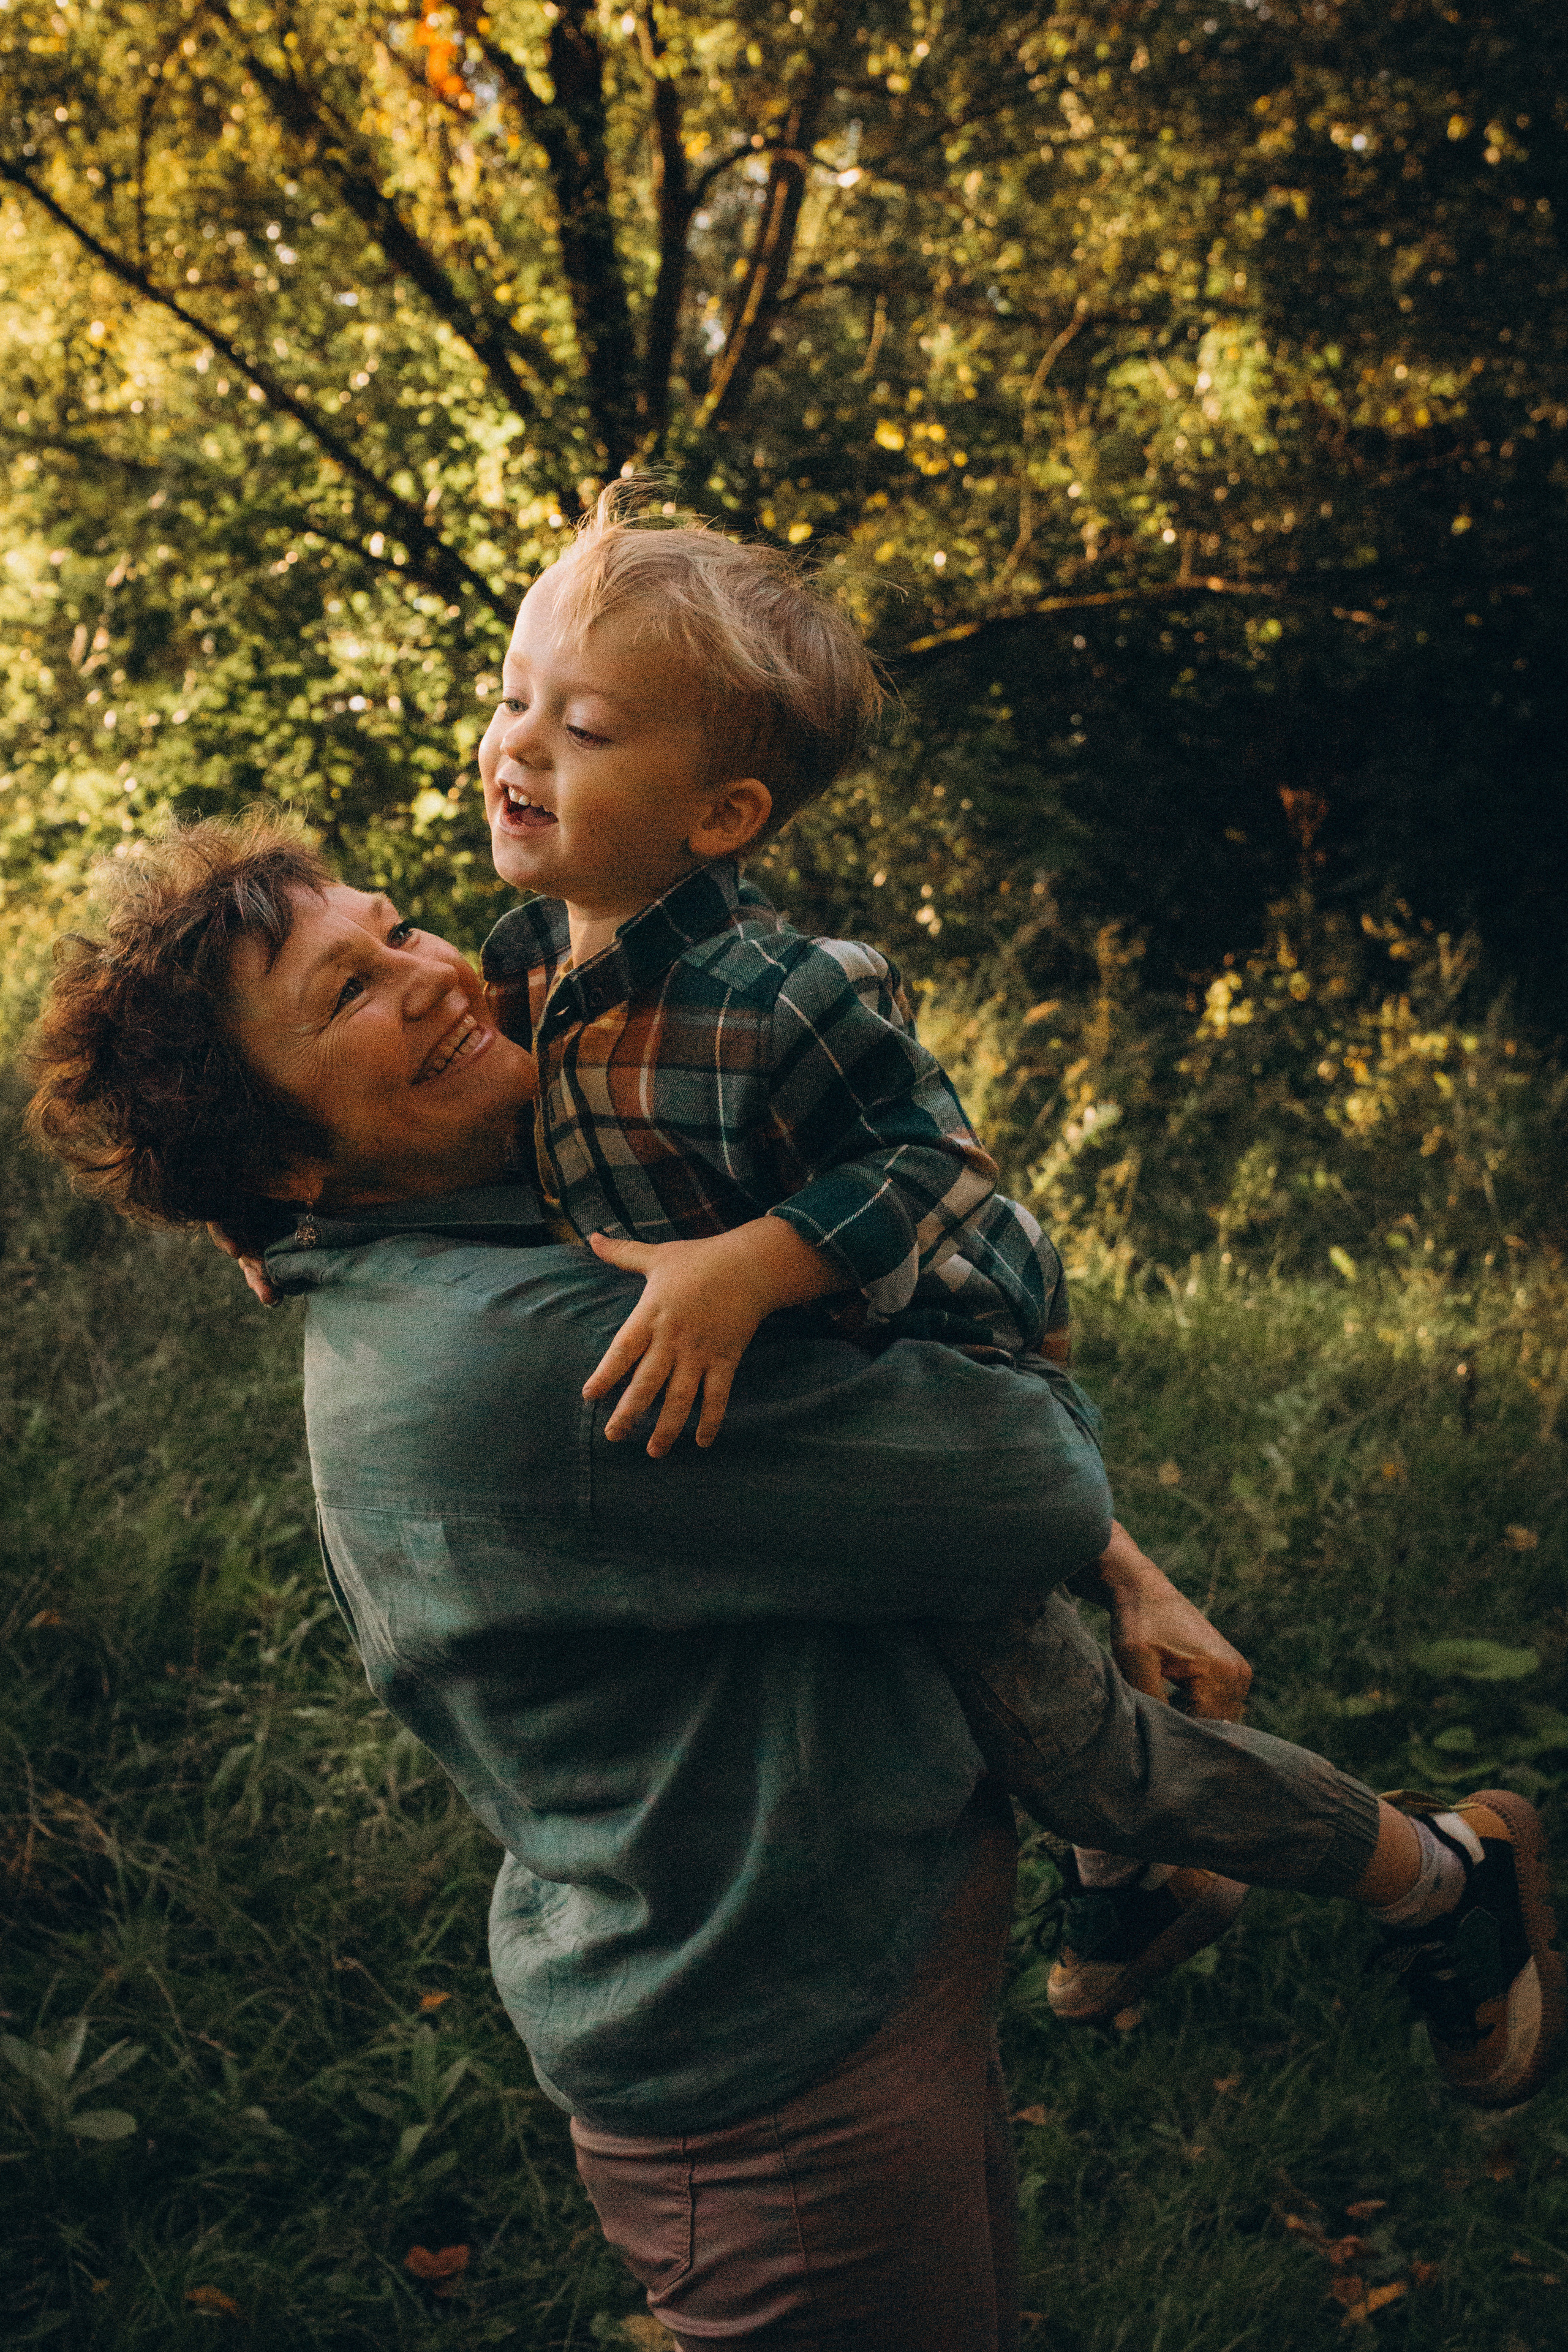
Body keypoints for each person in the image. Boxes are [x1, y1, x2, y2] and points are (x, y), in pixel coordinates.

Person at [25, 822, 1566, 2351]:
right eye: (347, 993)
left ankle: (1250, 1877)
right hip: (783, 2093)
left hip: (856, 1994)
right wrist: (1051, 1463)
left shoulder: (501, 1205)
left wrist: (1132, 1579)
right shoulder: (525, 1357)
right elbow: (1026, 1485)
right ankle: (1403, 1875)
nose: (427, 976)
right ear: (290, 1159)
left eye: (397, 930)